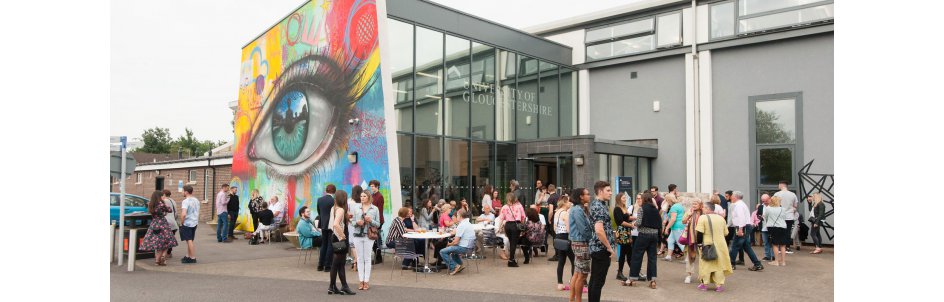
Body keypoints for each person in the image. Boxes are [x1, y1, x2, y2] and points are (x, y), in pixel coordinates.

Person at [624, 191, 661, 289]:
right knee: (652, 258)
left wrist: (633, 224)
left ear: (644, 199)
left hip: (643, 235)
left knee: (637, 256)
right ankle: (652, 280)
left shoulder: (642, 209)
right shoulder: (655, 209)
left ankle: (632, 279)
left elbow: (639, 222)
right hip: (654, 236)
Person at [694, 200, 733, 292]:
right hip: (721, 245)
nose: (702, 209)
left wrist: (699, 244)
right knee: (719, 265)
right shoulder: (721, 218)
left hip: (707, 244)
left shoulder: (703, 218)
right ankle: (719, 285)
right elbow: (726, 233)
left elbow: (699, 232)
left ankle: (705, 284)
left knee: (706, 264)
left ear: (707, 209)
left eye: (703, 207)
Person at [586, 181, 614, 302]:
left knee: (595, 280)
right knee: (598, 281)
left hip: (598, 248)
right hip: (601, 248)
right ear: (600, 191)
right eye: (608, 190)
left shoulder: (599, 205)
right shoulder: (598, 206)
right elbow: (599, 230)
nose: (611, 193)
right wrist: (608, 247)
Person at [350, 190, 380, 290]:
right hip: (357, 235)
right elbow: (352, 221)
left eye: (364, 196)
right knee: (359, 258)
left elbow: (378, 224)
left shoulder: (374, 209)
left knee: (367, 258)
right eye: (361, 196)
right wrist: (357, 223)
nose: (362, 198)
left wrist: (370, 220)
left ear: (368, 197)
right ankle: (360, 281)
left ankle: (366, 281)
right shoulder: (356, 207)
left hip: (369, 236)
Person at [139, 190, 178, 266]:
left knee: (157, 243)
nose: (163, 197)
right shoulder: (161, 204)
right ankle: (163, 256)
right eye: (162, 196)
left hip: (154, 224)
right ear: (159, 197)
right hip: (163, 224)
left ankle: (157, 261)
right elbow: (170, 210)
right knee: (167, 241)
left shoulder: (151, 204)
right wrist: (163, 203)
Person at [728, 191, 764, 271]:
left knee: (734, 246)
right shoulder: (740, 204)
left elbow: (741, 218)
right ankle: (757, 264)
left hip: (742, 226)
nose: (731, 197)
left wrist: (740, 229)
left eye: (732, 196)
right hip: (744, 226)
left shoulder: (738, 205)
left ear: (736, 197)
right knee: (747, 247)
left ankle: (731, 264)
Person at [328, 190, 355, 296]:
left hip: (334, 237)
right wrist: (342, 235)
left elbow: (333, 223)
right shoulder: (340, 210)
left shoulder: (334, 208)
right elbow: (336, 224)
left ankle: (336, 286)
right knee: (338, 263)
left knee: (338, 263)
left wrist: (346, 218)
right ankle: (337, 286)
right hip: (340, 238)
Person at [568, 188, 592, 301]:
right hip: (581, 243)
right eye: (587, 194)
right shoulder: (577, 210)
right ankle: (578, 300)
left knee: (577, 274)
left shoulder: (578, 209)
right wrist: (592, 238)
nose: (589, 196)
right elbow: (583, 229)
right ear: (581, 196)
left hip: (578, 242)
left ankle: (572, 300)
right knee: (582, 276)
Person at [440, 209, 477, 275]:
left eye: (457, 215)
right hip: (470, 247)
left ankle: (454, 266)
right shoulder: (468, 223)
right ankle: (460, 265)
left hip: (464, 248)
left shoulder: (462, 225)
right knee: (453, 251)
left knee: (442, 251)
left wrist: (448, 244)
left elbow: (456, 242)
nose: (456, 217)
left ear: (460, 216)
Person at [681, 198, 705, 284]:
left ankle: (703, 276)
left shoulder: (704, 212)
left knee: (703, 258)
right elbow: (683, 221)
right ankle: (689, 275)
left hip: (702, 239)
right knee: (690, 258)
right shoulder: (689, 211)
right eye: (693, 204)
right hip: (691, 239)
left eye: (696, 204)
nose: (694, 205)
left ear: (700, 205)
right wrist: (689, 215)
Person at [500, 191, 527, 267]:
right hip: (515, 225)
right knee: (513, 243)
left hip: (507, 225)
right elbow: (523, 217)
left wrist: (500, 227)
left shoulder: (505, 207)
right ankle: (511, 260)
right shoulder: (519, 206)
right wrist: (522, 226)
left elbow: (501, 218)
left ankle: (512, 259)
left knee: (511, 242)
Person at [554, 196, 575, 291]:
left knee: (561, 261)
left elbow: (555, 228)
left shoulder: (557, 212)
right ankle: (573, 281)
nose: (570, 203)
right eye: (569, 201)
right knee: (574, 261)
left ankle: (560, 283)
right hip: (566, 238)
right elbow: (568, 229)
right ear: (565, 202)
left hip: (558, 237)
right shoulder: (565, 214)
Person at [612, 192, 634, 281]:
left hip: (626, 232)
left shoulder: (624, 208)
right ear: (619, 199)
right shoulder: (617, 209)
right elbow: (620, 222)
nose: (625, 199)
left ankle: (632, 271)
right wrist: (632, 226)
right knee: (625, 253)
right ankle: (621, 272)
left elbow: (628, 218)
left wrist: (637, 218)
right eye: (623, 198)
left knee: (628, 252)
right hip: (622, 232)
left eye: (625, 198)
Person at [773, 181, 800, 253]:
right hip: (789, 216)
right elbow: (795, 206)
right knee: (787, 232)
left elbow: (773, 205)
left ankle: (779, 248)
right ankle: (787, 248)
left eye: (778, 184)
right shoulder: (793, 194)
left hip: (780, 216)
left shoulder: (777, 194)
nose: (778, 186)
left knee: (779, 232)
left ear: (781, 185)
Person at [762, 196, 789, 266]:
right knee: (783, 245)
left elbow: (766, 217)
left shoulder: (768, 209)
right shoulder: (783, 209)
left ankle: (776, 261)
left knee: (775, 244)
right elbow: (784, 217)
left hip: (773, 227)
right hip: (783, 227)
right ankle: (783, 262)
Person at [316, 184, 337, 272]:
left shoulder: (320, 199)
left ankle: (320, 265)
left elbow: (319, 212)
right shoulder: (334, 201)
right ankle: (327, 266)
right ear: (334, 192)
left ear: (326, 191)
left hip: (323, 224)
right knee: (330, 244)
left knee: (323, 244)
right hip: (331, 225)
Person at [663, 185, 686, 262]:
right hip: (678, 226)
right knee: (670, 240)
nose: (666, 202)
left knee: (680, 242)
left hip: (677, 227)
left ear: (669, 200)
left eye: (666, 200)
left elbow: (673, 219)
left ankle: (688, 258)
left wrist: (667, 228)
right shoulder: (678, 205)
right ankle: (668, 256)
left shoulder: (673, 207)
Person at [178, 185, 199, 263]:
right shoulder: (196, 200)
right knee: (189, 240)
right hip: (194, 222)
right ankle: (188, 256)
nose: (182, 192)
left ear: (186, 192)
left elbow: (183, 214)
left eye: (182, 191)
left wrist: (182, 222)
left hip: (187, 223)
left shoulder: (185, 201)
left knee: (189, 240)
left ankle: (192, 258)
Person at [369, 179, 385, 264]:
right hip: (372, 221)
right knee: (373, 239)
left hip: (378, 221)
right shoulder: (372, 195)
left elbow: (380, 211)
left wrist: (376, 223)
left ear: (377, 186)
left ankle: (379, 258)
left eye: (372, 186)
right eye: (370, 186)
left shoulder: (380, 196)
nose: (371, 188)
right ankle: (378, 257)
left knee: (375, 239)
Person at [161, 189, 179, 258]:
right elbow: (176, 213)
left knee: (165, 239)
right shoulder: (173, 201)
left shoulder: (165, 201)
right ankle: (169, 253)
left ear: (164, 195)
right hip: (174, 222)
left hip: (167, 222)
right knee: (171, 238)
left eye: (162, 195)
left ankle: (164, 254)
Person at [757, 194, 775, 261]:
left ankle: (773, 256)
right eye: (763, 201)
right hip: (764, 226)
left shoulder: (774, 206)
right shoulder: (761, 207)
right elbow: (758, 215)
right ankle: (767, 255)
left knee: (773, 242)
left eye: (766, 201)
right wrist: (760, 217)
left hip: (772, 226)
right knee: (765, 242)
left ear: (769, 199)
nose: (765, 202)